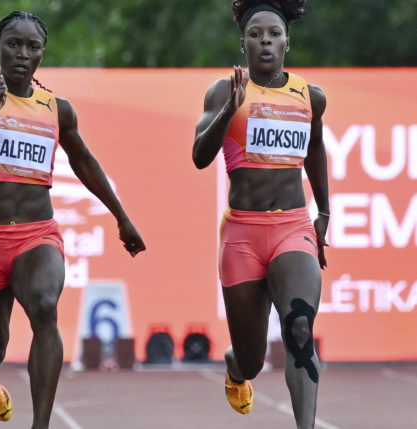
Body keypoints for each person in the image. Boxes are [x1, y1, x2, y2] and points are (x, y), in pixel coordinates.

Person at [0, 11, 145, 429]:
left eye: (32, 47)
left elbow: (84, 161)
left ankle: (40, 424)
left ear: (42, 54)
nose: (22, 54)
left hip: (36, 235)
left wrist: (122, 217)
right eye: (13, 44)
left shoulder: (55, 109)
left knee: (45, 309)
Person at [192, 1, 328, 428]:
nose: (265, 40)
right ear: (243, 42)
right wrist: (229, 110)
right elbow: (199, 156)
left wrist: (324, 209)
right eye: (255, 34)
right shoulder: (224, 90)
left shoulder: (310, 96)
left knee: (300, 330)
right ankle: (237, 365)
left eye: (273, 34)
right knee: (252, 360)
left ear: (288, 41)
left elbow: (314, 149)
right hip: (243, 234)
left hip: (292, 226)